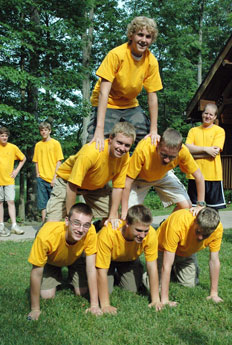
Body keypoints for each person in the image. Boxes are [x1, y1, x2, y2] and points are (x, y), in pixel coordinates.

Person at [88, 16, 163, 151]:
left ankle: (154, 171)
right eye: (140, 35)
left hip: (130, 105)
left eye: (148, 37)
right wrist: (99, 130)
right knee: (96, 144)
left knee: (150, 141)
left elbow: (152, 96)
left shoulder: (151, 61)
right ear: (131, 35)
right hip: (108, 103)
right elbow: (104, 92)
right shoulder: (117, 55)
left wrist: (154, 130)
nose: (143, 40)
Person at [46, 122, 136, 227]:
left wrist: (112, 215)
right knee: (52, 225)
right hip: (67, 182)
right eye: (119, 142)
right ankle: (44, 231)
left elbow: (118, 187)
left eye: (127, 145)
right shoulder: (91, 152)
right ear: (110, 139)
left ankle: (98, 228)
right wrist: (71, 218)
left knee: (113, 218)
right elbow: (72, 185)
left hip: (95, 186)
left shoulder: (124, 158)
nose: (122, 148)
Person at [27, 203, 102, 320]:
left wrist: (94, 305)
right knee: (47, 296)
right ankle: (55, 273)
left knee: (82, 292)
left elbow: (91, 268)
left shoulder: (91, 231)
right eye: (76, 223)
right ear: (67, 221)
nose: (81, 229)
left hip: (75, 258)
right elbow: (36, 273)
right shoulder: (46, 236)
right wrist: (35, 309)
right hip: (52, 261)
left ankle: (73, 272)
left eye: (86, 225)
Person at [121, 128, 205, 219]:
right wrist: (124, 211)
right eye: (163, 154)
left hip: (164, 175)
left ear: (179, 149)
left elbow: (199, 176)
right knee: (129, 215)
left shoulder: (183, 151)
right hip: (140, 178)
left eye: (172, 156)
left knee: (186, 206)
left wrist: (200, 204)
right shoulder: (144, 148)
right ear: (157, 145)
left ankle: (166, 227)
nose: (167, 160)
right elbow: (127, 182)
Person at [96, 204, 162, 314]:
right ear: (127, 223)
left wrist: (156, 300)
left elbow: (152, 267)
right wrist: (105, 305)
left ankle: (117, 276)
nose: (142, 235)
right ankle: (111, 274)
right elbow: (101, 271)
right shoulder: (108, 233)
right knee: (105, 292)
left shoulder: (151, 234)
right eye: (139, 230)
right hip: (107, 260)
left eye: (146, 231)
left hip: (129, 259)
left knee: (131, 289)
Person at [157, 207, 224, 306]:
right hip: (162, 249)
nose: (200, 237)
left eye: (205, 235)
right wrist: (165, 300)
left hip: (186, 253)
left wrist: (214, 294)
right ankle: (149, 273)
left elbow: (214, 260)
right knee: (155, 287)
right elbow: (167, 264)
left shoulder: (217, 229)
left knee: (189, 285)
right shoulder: (178, 221)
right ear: (195, 221)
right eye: (198, 232)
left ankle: (173, 272)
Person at [185, 103, 226, 210]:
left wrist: (194, 154)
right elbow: (187, 149)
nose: (208, 116)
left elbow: (215, 153)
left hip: (213, 176)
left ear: (215, 117)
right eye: (206, 113)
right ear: (202, 114)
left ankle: (213, 227)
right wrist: (206, 150)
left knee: (213, 210)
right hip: (194, 175)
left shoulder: (219, 131)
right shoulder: (193, 131)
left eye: (211, 115)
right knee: (193, 209)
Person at [33, 122, 64, 222]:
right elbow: (36, 161)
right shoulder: (38, 145)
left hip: (53, 179)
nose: (43, 132)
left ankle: (54, 224)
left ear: (49, 131)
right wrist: (38, 174)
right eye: (42, 130)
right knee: (43, 204)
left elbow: (59, 161)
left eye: (45, 130)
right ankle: (44, 225)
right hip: (41, 178)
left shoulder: (55, 143)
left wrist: (55, 177)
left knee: (55, 203)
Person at [0, 127, 26, 236]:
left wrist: (16, 171)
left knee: (10, 201)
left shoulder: (13, 147)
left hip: (9, 179)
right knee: (0, 202)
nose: (4, 137)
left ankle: (14, 225)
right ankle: (1, 225)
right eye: (2, 135)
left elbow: (23, 158)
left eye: (6, 135)